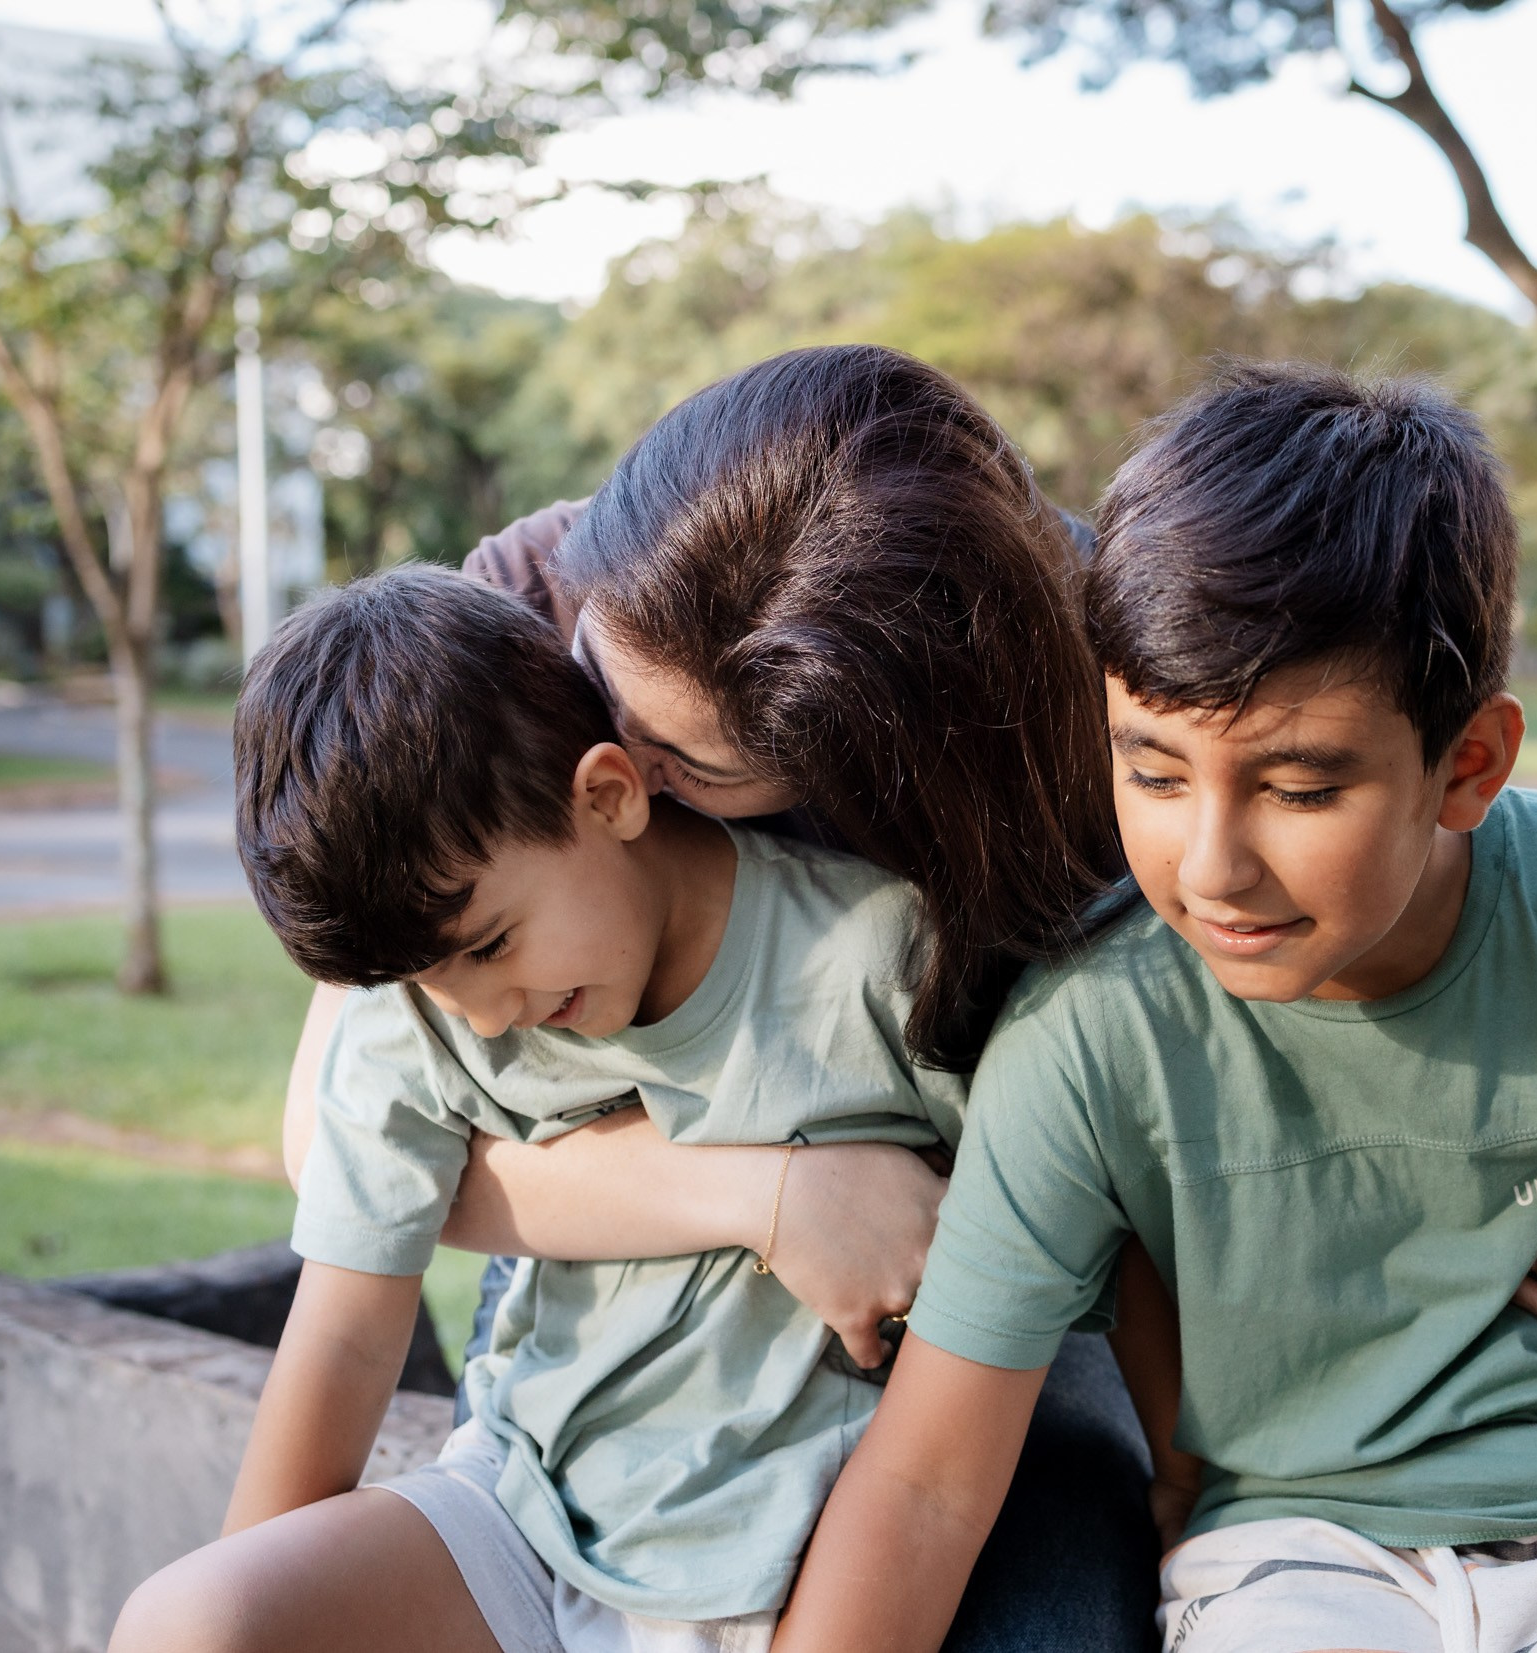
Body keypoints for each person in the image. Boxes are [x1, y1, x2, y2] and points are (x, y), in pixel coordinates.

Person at [274, 345, 1537, 1644]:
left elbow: (1405, 862)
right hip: (628, 1353)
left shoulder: (1115, 728)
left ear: (874, 761)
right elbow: (346, 1140)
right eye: (610, 683)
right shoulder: (528, 622)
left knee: (1065, 1620)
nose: (628, 777)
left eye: (698, 771)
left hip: (993, 1325)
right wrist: (772, 1195)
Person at [774, 363, 1537, 1653]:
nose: (1209, 866)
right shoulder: (1088, 1026)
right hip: (1298, 1552)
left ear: (1467, 763)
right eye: (1152, 771)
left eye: (1301, 790)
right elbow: (928, 1479)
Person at [114, 563, 977, 1653]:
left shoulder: (876, 958)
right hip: (518, 1510)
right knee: (186, 1623)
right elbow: (341, 1334)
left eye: (489, 946)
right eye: (434, 981)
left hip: (785, 1556)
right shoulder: (425, 1010)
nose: (478, 1018)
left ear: (608, 795)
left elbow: (1041, 1253)